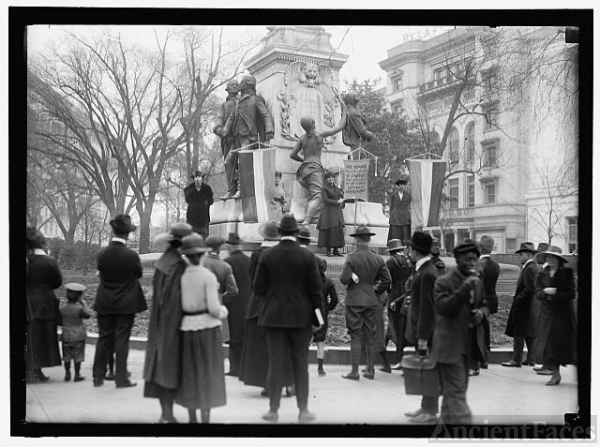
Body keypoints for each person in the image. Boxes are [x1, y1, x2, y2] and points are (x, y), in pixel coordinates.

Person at [254, 214, 323, 423]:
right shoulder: (308, 257)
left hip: (273, 318)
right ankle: (303, 410)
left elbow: (257, 288)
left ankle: (273, 410)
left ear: (280, 233)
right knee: (301, 364)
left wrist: (273, 299)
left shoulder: (267, 256)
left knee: (275, 364)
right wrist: (318, 318)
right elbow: (316, 291)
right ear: (295, 234)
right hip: (301, 319)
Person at [431, 239, 489, 425]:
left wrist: (481, 313)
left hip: (469, 346)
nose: (473, 263)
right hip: (449, 347)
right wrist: (465, 289)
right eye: (468, 259)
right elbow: (443, 308)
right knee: (457, 395)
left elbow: (486, 306)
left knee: (455, 393)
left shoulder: (477, 282)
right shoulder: (444, 282)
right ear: (457, 260)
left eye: (475, 259)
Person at [238, 221, 295, 398]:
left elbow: (253, 280)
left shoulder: (256, 255)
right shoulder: (285, 252)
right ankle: (288, 382)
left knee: (262, 347)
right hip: (283, 304)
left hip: (259, 305)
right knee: (284, 346)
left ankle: (267, 383)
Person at [176, 233, 228, 423]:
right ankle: (205, 420)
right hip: (207, 330)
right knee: (208, 374)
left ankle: (192, 419)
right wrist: (223, 311)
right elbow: (215, 309)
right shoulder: (207, 277)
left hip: (187, 328)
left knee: (190, 374)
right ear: (203, 255)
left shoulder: (180, 276)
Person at [143, 222, 193, 423]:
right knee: (169, 367)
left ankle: (166, 413)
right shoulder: (177, 265)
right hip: (172, 325)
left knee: (162, 366)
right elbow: (175, 300)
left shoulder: (165, 260)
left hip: (160, 322)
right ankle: (168, 415)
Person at [92, 214, 147, 388]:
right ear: (126, 235)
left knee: (103, 338)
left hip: (105, 301)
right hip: (126, 303)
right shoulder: (131, 256)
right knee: (122, 340)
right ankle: (121, 378)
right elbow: (138, 274)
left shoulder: (102, 254)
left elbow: (101, 272)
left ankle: (97, 377)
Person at [339, 225, 391, 381]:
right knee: (370, 336)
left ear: (357, 239)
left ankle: (354, 371)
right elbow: (387, 280)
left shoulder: (352, 258)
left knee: (355, 335)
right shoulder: (378, 258)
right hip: (371, 300)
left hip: (354, 299)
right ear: (369, 239)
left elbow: (343, 279)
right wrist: (375, 291)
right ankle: (370, 370)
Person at [403, 231, 441, 424]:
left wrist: (423, 337)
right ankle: (426, 407)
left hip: (427, 332)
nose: (408, 251)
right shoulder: (423, 269)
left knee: (429, 370)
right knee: (426, 370)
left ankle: (430, 411)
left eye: (410, 248)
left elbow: (428, 308)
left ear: (415, 251)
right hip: (423, 330)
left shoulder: (427, 273)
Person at [290, 100, 348, 225]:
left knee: (320, 189)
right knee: (317, 197)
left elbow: (292, 155)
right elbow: (340, 126)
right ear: (313, 123)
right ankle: (307, 221)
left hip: (304, 170)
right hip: (314, 169)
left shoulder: (302, 138)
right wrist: (344, 111)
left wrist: (304, 161)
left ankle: (317, 216)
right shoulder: (319, 135)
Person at [222, 75, 275, 199]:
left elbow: (265, 115)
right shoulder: (238, 101)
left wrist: (269, 129)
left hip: (248, 138)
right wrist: (225, 130)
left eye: (241, 83)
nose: (239, 85)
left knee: (243, 160)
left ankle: (242, 189)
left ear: (247, 84)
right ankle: (231, 189)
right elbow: (231, 118)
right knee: (227, 162)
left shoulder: (255, 99)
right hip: (236, 137)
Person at [296, 225, 338, 377]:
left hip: (305, 310)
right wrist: (327, 308)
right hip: (320, 312)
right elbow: (335, 299)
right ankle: (320, 368)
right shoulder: (327, 281)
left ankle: (302, 366)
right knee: (320, 340)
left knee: (303, 341)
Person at [533, 246, 576, 386]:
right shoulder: (542, 274)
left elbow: (571, 293)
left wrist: (555, 296)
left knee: (565, 344)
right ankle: (555, 375)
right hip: (547, 315)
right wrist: (545, 291)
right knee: (550, 344)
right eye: (548, 257)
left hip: (563, 315)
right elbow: (538, 293)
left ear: (558, 259)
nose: (550, 260)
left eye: (553, 257)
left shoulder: (566, 273)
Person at [26, 229, 63, 382]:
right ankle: (38, 369)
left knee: (32, 336)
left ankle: (32, 369)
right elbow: (57, 281)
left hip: (29, 301)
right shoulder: (50, 261)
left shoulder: (28, 260)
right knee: (43, 337)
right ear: (43, 243)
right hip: (47, 302)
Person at [502, 242, 539, 368]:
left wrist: (517, 299)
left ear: (528, 255)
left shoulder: (529, 268)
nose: (519, 257)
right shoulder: (532, 267)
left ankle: (516, 360)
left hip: (524, 307)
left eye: (521, 255)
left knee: (519, 334)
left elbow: (529, 289)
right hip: (529, 307)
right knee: (529, 333)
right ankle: (531, 359)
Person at [223, 232, 252, 377]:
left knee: (234, 338)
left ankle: (235, 368)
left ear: (229, 246)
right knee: (246, 337)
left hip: (233, 305)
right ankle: (247, 368)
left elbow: (225, 286)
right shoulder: (249, 260)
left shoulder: (227, 262)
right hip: (249, 304)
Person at [203, 236, 239, 345]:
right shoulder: (225, 266)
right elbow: (233, 290)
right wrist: (221, 299)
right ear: (219, 248)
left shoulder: (199, 263)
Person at [383, 239, 411, 371]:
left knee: (394, 324)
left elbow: (386, 280)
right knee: (400, 324)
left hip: (394, 295)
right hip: (405, 295)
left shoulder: (390, 262)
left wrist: (388, 292)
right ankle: (384, 348)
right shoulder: (408, 260)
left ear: (391, 251)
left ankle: (397, 354)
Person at [474, 235, 499, 374]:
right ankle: (485, 358)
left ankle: (480, 359)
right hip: (491, 300)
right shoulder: (495, 265)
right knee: (485, 328)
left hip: (480, 302)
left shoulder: (479, 265)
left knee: (478, 330)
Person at [213, 79, 240, 200]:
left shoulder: (241, 101)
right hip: (227, 138)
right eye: (232, 85)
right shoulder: (223, 105)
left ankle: (237, 189)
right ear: (227, 89)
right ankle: (231, 189)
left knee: (232, 162)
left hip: (238, 136)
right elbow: (219, 117)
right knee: (229, 165)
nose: (234, 86)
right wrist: (218, 128)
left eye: (236, 85)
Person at [59, 283, 91, 382]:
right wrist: (83, 304)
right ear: (79, 296)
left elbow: (59, 321)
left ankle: (67, 374)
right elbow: (88, 315)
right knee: (78, 356)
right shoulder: (79, 308)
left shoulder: (62, 308)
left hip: (66, 335)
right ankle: (77, 374)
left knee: (66, 356)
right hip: (78, 335)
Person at [317, 171, 345, 257]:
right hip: (329, 213)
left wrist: (342, 200)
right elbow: (325, 200)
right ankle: (328, 250)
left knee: (338, 230)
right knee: (330, 230)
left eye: (332, 177)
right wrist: (337, 201)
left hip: (337, 212)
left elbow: (342, 198)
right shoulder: (324, 188)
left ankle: (336, 250)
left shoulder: (337, 188)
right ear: (326, 179)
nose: (331, 179)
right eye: (329, 177)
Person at [184, 171, 214, 238]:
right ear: (194, 179)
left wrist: (205, 203)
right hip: (191, 219)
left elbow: (211, 201)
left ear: (202, 178)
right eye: (196, 177)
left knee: (204, 239)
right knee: (191, 239)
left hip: (204, 219)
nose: (197, 179)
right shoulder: (189, 189)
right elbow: (188, 201)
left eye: (199, 177)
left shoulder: (207, 189)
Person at [388, 176, 411, 243]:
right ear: (398, 186)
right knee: (395, 233)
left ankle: (405, 248)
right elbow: (391, 207)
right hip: (395, 216)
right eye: (400, 185)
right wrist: (391, 216)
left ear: (405, 186)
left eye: (403, 185)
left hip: (405, 216)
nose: (402, 186)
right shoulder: (394, 195)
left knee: (405, 233)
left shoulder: (408, 196)